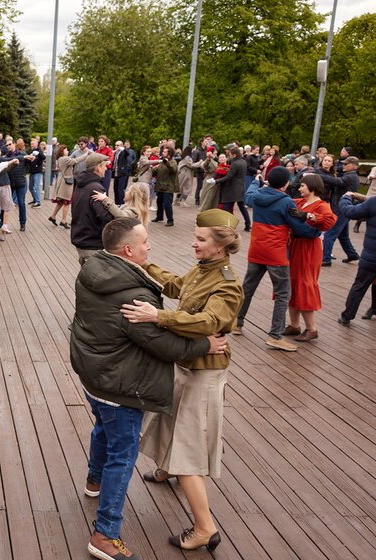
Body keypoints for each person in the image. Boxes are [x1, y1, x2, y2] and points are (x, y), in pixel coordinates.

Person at [71, 217, 227, 560]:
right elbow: (164, 347)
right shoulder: (135, 295)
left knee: (103, 429)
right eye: (144, 243)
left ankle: (93, 482)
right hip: (122, 385)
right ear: (128, 250)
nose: (149, 247)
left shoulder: (93, 268)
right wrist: (205, 346)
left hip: (95, 374)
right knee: (123, 456)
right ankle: (105, 535)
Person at [123, 209, 243, 553]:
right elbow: (179, 285)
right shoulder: (204, 270)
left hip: (204, 370)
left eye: (201, 240)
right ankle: (166, 468)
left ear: (220, 247)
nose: (194, 243)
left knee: (188, 445)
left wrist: (157, 315)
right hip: (190, 365)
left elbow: (209, 320)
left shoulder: (227, 283)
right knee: (169, 415)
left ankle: (205, 527)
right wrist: (144, 265)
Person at [234, 167, 320, 351]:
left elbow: (248, 194)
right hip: (276, 253)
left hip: (256, 250)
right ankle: (275, 335)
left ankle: (237, 323)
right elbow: (299, 227)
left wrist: (257, 181)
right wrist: (317, 231)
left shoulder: (256, 195)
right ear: (286, 184)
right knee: (283, 294)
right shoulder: (286, 202)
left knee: (248, 288)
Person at [284, 174, 337, 341]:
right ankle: (294, 325)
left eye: (303, 186)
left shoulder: (321, 205)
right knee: (292, 283)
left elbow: (330, 221)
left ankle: (311, 328)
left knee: (305, 284)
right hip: (294, 246)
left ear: (312, 187)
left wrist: (308, 216)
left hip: (309, 248)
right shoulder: (299, 202)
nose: (299, 189)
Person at [337, 181, 376, 325]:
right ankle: (373, 307)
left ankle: (347, 316)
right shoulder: (373, 201)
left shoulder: (375, 201)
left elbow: (350, 212)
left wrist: (346, 198)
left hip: (373, 256)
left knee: (359, 285)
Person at [70, 153, 114, 264]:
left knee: (86, 275)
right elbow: (104, 216)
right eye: (104, 166)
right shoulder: (96, 188)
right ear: (98, 167)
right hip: (92, 241)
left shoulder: (81, 184)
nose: (106, 169)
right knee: (94, 278)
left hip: (81, 236)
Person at [320, 156, 361, 267]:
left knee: (329, 234)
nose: (343, 165)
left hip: (341, 209)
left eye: (346, 164)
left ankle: (326, 258)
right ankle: (352, 254)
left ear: (354, 166)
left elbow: (336, 181)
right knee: (343, 236)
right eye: (342, 164)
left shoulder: (350, 176)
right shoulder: (348, 175)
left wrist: (317, 175)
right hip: (343, 209)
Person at [49, 145, 90, 228]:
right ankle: (63, 221)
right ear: (62, 151)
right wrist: (86, 155)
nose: (67, 151)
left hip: (63, 182)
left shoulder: (60, 159)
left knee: (61, 202)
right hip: (66, 183)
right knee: (67, 202)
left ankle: (53, 216)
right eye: (66, 149)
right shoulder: (64, 159)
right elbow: (75, 161)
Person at [214, 145, 251, 231]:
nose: (229, 155)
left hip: (232, 190)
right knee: (242, 208)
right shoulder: (243, 162)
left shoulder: (235, 164)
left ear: (234, 155)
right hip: (241, 188)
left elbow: (228, 177)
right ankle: (248, 225)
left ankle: (225, 226)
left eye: (230, 154)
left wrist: (216, 181)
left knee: (226, 208)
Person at [151, 146, 178, 226]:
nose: (163, 153)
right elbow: (156, 171)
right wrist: (152, 168)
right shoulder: (162, 162)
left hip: (168, 187)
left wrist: (166, 162)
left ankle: (170, 220)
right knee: (159, 202)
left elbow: (173, 169)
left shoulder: (173, 162)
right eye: (163, 152)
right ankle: (159, 217)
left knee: (167, 204)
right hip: (160, 186)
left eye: (165, 152)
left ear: (169, 154)